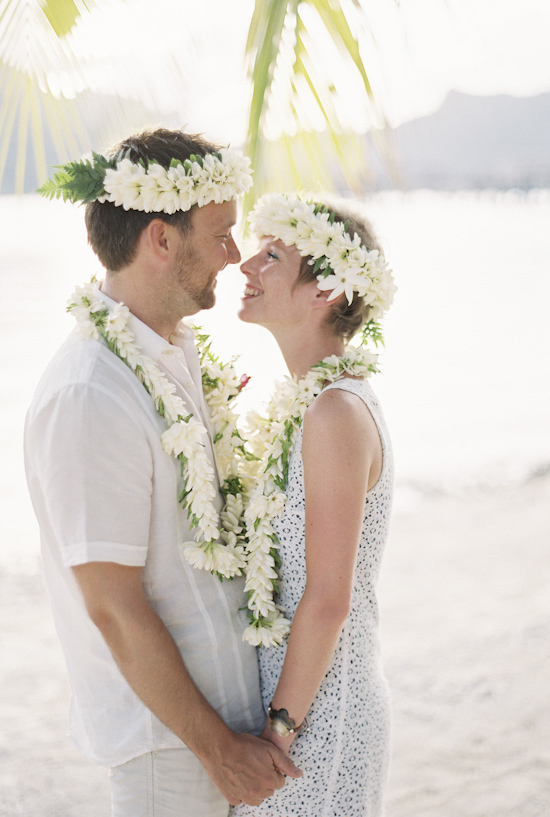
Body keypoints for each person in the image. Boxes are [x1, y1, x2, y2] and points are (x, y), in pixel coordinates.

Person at [24, 128, 301, 817]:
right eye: (221, 234)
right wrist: (218, 750)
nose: (235, 257)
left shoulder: (171, 358)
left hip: (222, 732)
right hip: (171, 751)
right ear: (161, 239)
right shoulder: (91, 391)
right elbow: (113, 606)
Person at [232, 193, 397, 816]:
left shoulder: (334, 413)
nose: (247, 267)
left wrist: (278, 731)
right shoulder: (312, 404)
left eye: (271, 255)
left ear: (325, 290)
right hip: (301, 699)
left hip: (317, 716)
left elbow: (329, 601)